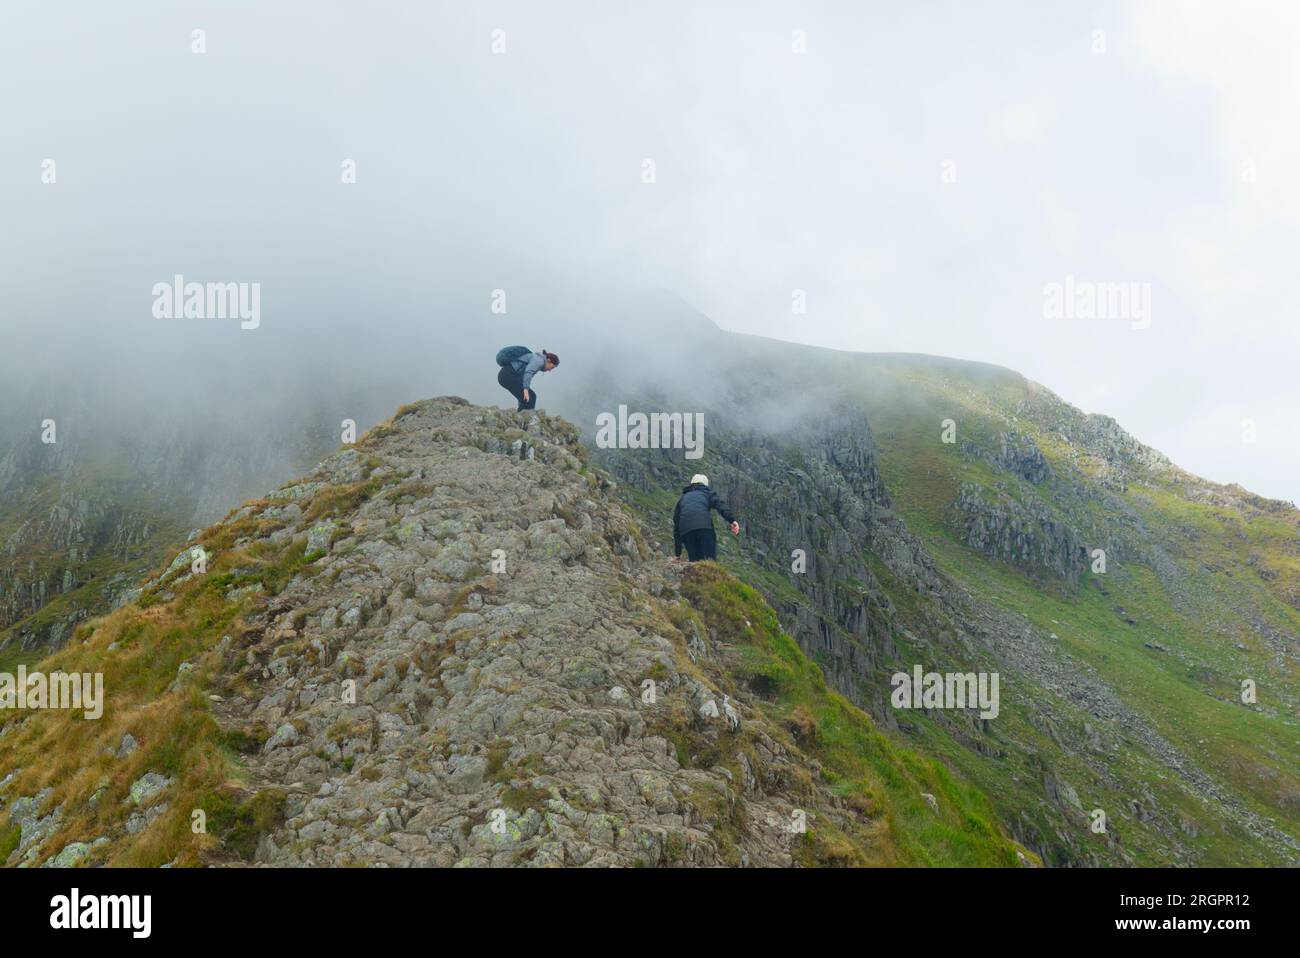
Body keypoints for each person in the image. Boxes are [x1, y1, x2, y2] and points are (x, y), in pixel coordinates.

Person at [673, 474, 740, 562]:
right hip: (704, 528)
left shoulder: (683, 498)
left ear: (692, 484)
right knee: (709, 561)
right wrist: (732, 520)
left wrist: (678, 553)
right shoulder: (707, 493)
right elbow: (720, 505)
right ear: (705, 485)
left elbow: (677, 526)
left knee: (695, 563)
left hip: (686, 532)